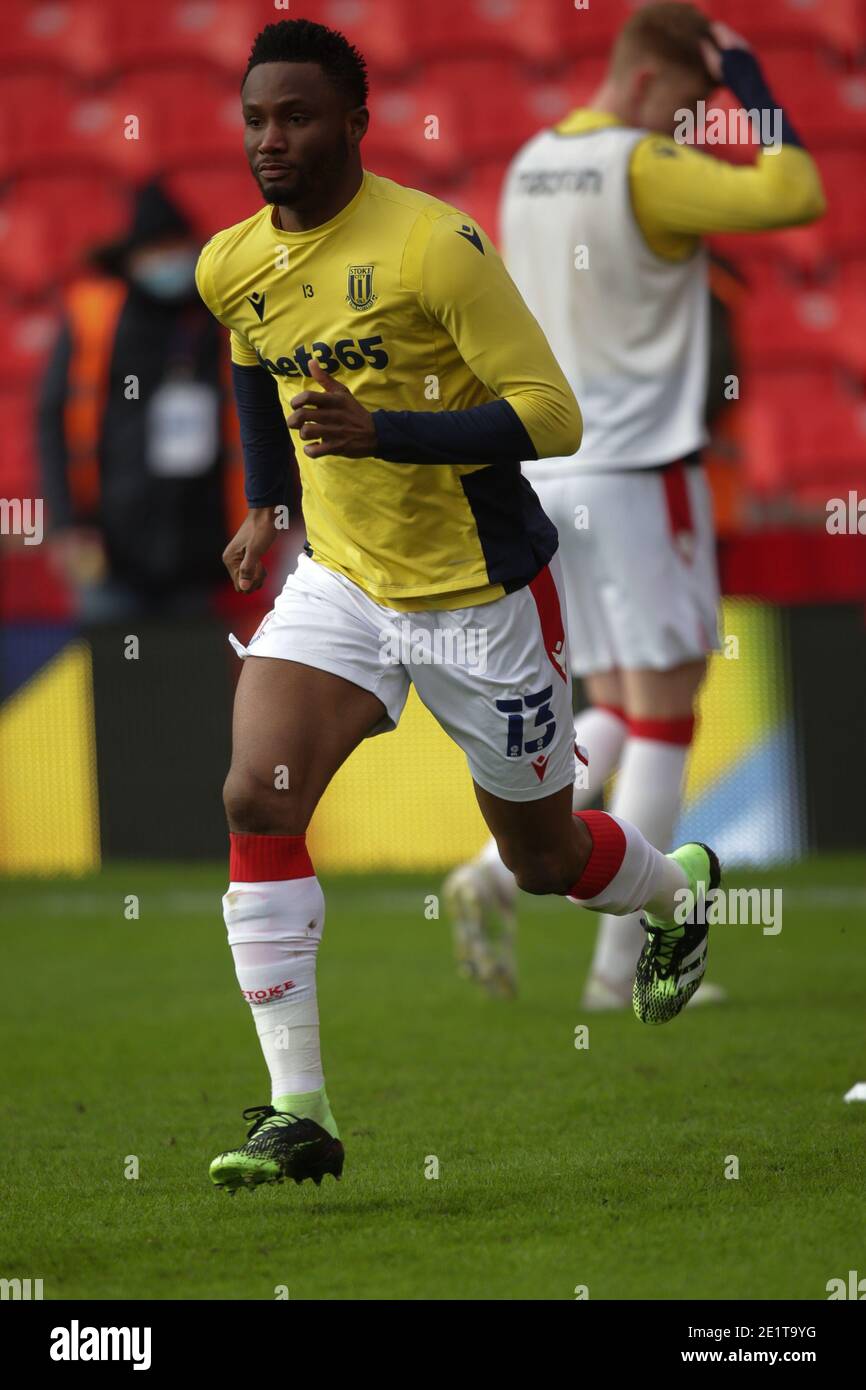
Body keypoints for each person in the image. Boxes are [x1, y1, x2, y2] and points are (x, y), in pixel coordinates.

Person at [196, 17, 720, 1194]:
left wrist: (386, 434)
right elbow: (251, 357)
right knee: (254, 791)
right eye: (254, 120)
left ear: (352, 123)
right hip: (341, 580)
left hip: (481, 594)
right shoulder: (229, 260)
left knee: (539, 858)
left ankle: (677, 889)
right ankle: (301, 1113)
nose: (269, 141)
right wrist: (270, 500)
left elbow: (552, 416)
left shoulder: (434, 247)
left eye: (295, 117)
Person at [445, 4, 825, 1007]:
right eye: (692, 103)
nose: (694, 122)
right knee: (665, 712)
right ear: (652, 82)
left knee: (612, 701)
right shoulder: (642, 167)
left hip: (549, 471)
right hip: (641, 467)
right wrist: (748, 81)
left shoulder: (527, 163)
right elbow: (794, 191)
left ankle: (492, 869)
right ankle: (625, 969)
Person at [38, 181, 247, 621]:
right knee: (118, 680)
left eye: (175, 247)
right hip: (110, 546)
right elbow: (53, 422)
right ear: (131, 258)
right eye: (155, 249)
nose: (167, 261)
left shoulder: (223, 318)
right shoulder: (94, 318)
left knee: (192, 683)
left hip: (206, 549)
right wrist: (66, 523)